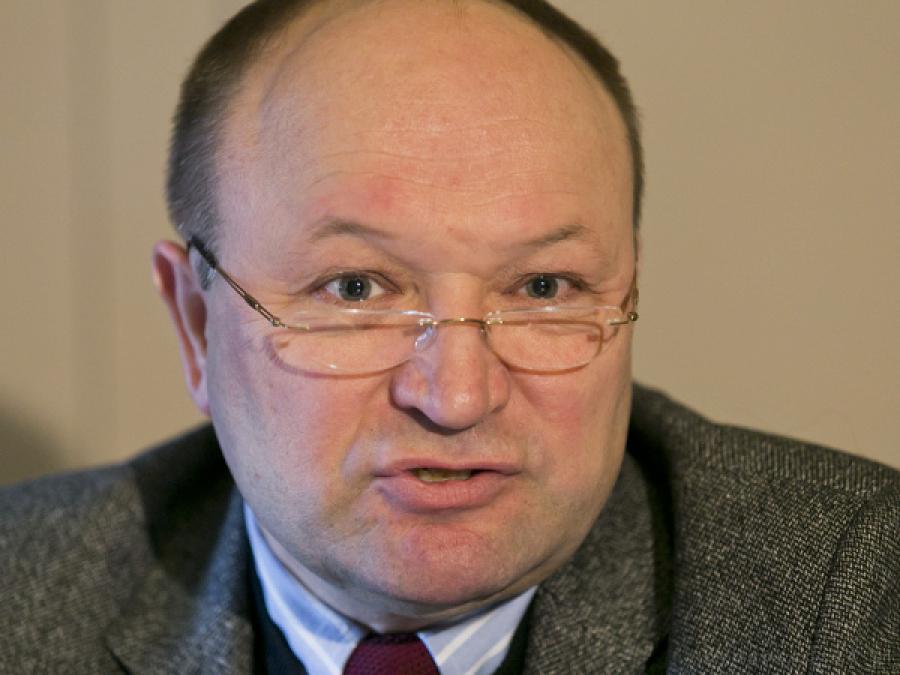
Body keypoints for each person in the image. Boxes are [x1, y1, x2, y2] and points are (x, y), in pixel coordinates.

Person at [1, 0, 897, 672]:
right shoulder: (20, 597)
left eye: (543, 288)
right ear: (196, 326)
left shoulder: (845, 600)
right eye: (356, 289)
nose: (457, 396)